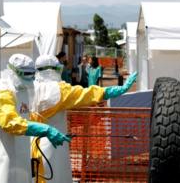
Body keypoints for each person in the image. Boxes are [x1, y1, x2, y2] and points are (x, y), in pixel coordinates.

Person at [31, 54, 138, 183]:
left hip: (30, 144)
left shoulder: (27, 89)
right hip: (54, 145)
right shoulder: (61, 91)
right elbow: (89, 94)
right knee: (55, 175)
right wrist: (119, 89)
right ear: (57, 69)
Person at [0, 54, 71, 183]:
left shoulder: (26, 89)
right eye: (25, 74)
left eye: (31, 73)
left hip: (23, 154)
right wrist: (44, 129)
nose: (29, 78)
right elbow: (9, 122)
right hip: (3, 156)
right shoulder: (2, 90)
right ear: (12, 71)